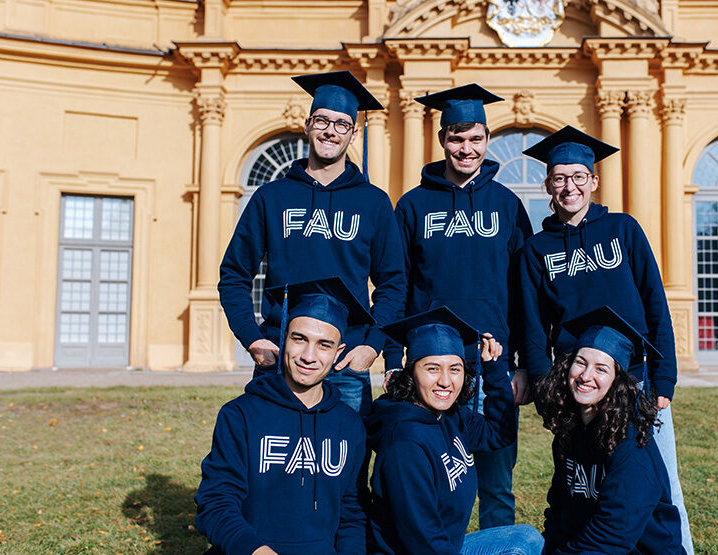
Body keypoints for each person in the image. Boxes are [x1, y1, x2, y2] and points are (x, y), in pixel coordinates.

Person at [518, 125, 694, 552]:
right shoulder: (537, 250)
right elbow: (533, 327)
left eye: (579, 176)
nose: (570, 186)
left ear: (594, 181)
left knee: (660, 480)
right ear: (548, 184)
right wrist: (546, 391)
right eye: (560, 178)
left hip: (633, 379)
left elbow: (655, 303)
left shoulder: (623, 230)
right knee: (583, 478)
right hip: (577, 382)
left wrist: (664, 380)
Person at [383, 84, 533, 529]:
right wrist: (395, 359)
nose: (466, 149)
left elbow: (523, 292)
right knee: (425, 478)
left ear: (487, 141)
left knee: (496, 484)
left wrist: (520, 365)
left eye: (475, 139)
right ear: (442, 139)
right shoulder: (412, 206)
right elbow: (398, 285)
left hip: (491, 366)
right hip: (431, 366)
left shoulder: (507, 205)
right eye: (456, 138)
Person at [218, 70, 406, 416]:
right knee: (270, 464)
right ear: (307, 126)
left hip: (345, 361)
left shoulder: (373, 202)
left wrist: (372, 346)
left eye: (341, 125)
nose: (330, 131)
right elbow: (233, 274)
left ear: (353, 135)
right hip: (279, 356)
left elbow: (393, 283)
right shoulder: (271, 197)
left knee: (346, 467)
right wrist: (252, 338)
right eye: (322, 121)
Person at [195, 277, 373, 555]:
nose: (308, 356)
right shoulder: (240, 415)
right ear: (283, 339)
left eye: (324, 345)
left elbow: (352, 514)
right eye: (299, 339)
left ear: (339, 352)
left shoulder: (349, 425)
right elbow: (216, 504)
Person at [368, 307, 544, 555]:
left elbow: (498, 434)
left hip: (447, 545)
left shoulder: (449, 417)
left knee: (525, 539)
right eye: (432, 368)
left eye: (454, 369)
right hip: (419, 551)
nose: (445, 381)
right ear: (411, 374)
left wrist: (493, 369)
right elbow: (423, 542)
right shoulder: (405, 444)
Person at [536, 306, 684, 554]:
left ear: (618, 381)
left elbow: (614, 534)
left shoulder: (632, 445)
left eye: (601, 369)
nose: (585, 376)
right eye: (580, 363)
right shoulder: (569, 433)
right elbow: (559, 510)